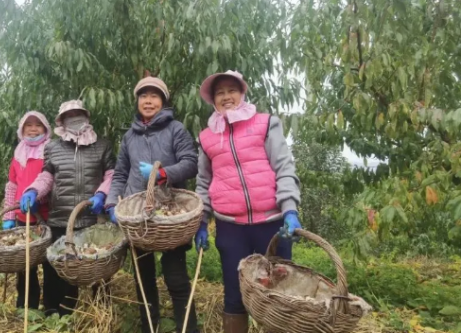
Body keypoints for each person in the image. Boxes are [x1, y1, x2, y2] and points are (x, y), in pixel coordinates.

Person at [194, 70, 302, 333]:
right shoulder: (207, 137)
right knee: (235, 292)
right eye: (220, 93)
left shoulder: (265, 124)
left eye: (232, 90)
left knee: (279, 292)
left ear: (242, 94)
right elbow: (203, 182)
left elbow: (284, 167)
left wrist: (289, 209)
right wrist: (201, 221)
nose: (226, 96)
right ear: (213, 100)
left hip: (272, 224)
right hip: (231, 228)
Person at [105, 77, 200, 333]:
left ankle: (188, 328)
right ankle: (150, 326)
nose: (148, 100)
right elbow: (121, 173)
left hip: (171, 212)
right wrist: (112, 202)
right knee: (143, 279)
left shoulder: (176, 129)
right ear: (137, 101)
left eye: (154, 96)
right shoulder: (129, 137)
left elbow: (191, 162)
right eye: (143, 96)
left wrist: (163, 173)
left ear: (163, 101)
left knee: (176, 278)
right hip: (137, 216)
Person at [19, 99, 116, 317]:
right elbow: (47, 176)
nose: (74, 120)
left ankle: (101, 311)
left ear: (86, 117)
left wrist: (102, 193)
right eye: (69, 117)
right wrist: (34, 190)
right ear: (62, 121)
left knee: (98, 264)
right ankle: (56, 309)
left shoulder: (102, 145)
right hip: (60, 217)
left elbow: (112, 174)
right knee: (59, 266)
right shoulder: (53, 147)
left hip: (92, 217)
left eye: (78, 115)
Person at [1, 111, 52, 310]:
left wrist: (41, 198)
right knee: (24, 265)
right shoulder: (18, 154)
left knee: (49, 263)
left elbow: (53, 180)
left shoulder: (50, 151)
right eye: (28, 125)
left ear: (45, 129)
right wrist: (9, 215)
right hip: (23, 218)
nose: (33, 129)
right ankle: (26, 306)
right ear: (22, 130)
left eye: (38, 125)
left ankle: (50, 306)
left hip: (45, 217)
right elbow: (12, 186)